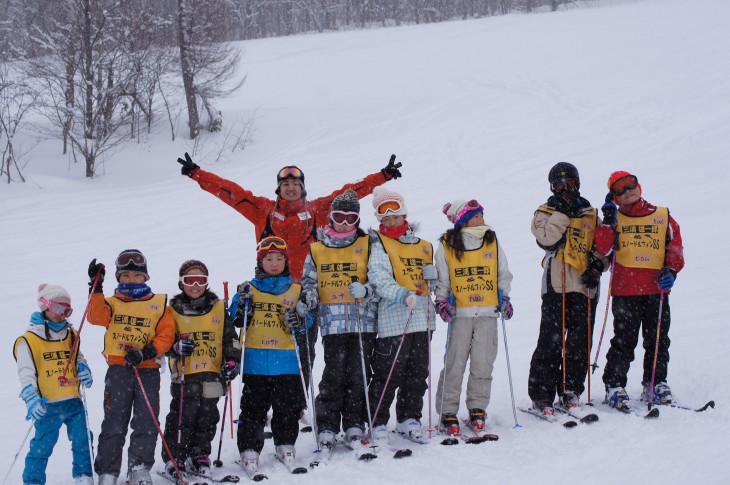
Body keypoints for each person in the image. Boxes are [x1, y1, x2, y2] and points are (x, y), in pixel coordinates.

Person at [176, 152, 402, 395]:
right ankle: (261, 401)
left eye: (296, 184)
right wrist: (197, 174)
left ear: (303, 188)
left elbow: (351, 192)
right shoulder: (263, 210)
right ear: (278, 188)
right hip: (266, 292)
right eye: (285, 184)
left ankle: (298, 401)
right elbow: (231, 193)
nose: (291, 188)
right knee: (263, 346)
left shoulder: (318, 210)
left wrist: (383, 176)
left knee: (304, 349)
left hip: (305, 294)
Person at [596, 171, 684, 411]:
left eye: (630, 185)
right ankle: (614, 385)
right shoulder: (614, 219)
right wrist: (606, 222)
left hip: (656, 289)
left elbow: (674, 247)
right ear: (614, 197)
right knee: (624, 340)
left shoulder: (661, 216)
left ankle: (655, 382)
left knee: (657, 339)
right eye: (619, 189)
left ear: (639, 185)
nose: (627, 191)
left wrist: (672, 271)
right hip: (626, 290)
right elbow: (602, 249)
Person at [299, 190, 378, 452]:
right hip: (332, 323)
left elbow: (380, 280)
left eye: (351, 217)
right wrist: (309, 298)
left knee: (358, 374)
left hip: (362, 321)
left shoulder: (369, 244)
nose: (344, 223)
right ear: (330, 217)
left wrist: (367, 290)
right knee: (333, 375)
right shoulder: (318, 249)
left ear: (357, 219)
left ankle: (354, 423)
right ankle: (328, 425)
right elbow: (309, 282)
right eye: (339, 216)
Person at [87, 250, 175, 485]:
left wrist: (147, 351)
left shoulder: (159, 304)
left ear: (145, 277)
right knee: (114, 420)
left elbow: (167, 335)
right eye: (125, 275)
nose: (131, 279)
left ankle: (138, 467)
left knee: (146, 420)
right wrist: (96, 288)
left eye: (137, 275)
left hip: (147, 368)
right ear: (118, 277)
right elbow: (95, 317)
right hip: (119, 368)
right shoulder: (112, 303)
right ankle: (108, 470)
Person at [527, 163, 608, 415]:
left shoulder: (591, 213)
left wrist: (597, 266)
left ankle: (571, 388)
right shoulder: (545, 211)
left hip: (585, 286)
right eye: (560, 184)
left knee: (579, 342)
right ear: (552, 186)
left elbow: (604, 248)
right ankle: (541, 393)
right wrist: (562, 213)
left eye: (570, 182)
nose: (566, 188)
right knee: (550, 341)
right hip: (556, 284)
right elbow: (547, 239)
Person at [228, 236, 309, 475]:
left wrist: (299, 320)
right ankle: (249, 449)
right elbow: (235, 317)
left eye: (279, 259)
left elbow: (306, 323)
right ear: (260, 262)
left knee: (286, 407)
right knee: (253, 408)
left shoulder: (296, 290)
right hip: (255, 362)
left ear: (286, 261)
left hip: (285, 360)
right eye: (268, 259)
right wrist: (242, 305)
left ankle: (285, 444)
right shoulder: (248, 288)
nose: (274, 264)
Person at [433, 199, 514, 435]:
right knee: (455, 363)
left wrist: (505, 298)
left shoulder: (491, 241)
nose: (481, 219)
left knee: (483, 362)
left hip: (487, 311)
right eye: (476, 216)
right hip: (461, 314)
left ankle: (478, 407)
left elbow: (502, 273)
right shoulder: (448, 244)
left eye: (481, 215)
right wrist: (441, 302)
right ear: (463, 220)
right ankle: (447, 411)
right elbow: (443, 278)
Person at [366, 187, 436, 444]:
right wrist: (400, 294)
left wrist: (434, 279)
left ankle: (409, 418)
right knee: (388, 374)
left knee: (417, 373)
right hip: (394, 319)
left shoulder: (425, 246)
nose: (392, 221)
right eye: (386, 217)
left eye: (396, 215)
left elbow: (435, 284)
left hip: (423, 319)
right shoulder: (379, 244)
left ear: (404, 215)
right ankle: (377, 421)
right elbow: (379, 277)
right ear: (380, 220)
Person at [161, 260, 242, 480]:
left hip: (213, 372)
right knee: (181, 417)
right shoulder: (172, 310)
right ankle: (174, 457)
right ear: (181, 283)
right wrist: (176, 347)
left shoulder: (218, 307)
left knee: (207, 416)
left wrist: (233, 361)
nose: (195, 285)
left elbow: (230, 339)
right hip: (185, 375)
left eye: (201, 280)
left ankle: (199, 454)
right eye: (190, 280)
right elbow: (164, 342)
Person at [13, 284, 94, 485]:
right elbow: (26, 373)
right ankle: (33, 481)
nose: (61, 315)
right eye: (57, 308)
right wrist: (30, 397)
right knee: (42, 446)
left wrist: (83, 368)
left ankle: (83, 476)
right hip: (48, 404)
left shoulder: (72, 335)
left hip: (73, 402)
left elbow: (78, 358)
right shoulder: (29, 340)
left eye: (67, 311)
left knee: (83, 440)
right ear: (45, 306)